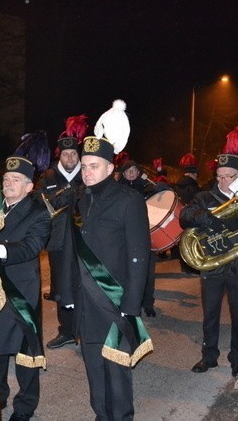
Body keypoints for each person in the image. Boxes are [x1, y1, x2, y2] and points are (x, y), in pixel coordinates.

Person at [75, 109, 153, 420]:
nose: (87, 172)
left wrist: (131, 304)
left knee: (117, 372)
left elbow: (139, 255)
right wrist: (69, 297)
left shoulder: (128, 200)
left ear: (110, 167)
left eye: (94, 166)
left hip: (115, 300)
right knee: (93, 368)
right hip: (86, 302)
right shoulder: (82, 199)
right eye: (84, 166)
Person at [180, 125, 238, 378]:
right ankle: (209, 357)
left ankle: (237, 359)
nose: (222, 181)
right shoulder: (204, 197)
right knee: (210, 315)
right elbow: (185, 215)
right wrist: (204, 217)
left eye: (228, 176)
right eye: (220, 176)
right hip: (213, 264)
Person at [0, 155, 51, 421]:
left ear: (29, 186)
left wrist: (0, 249)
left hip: (21, 292)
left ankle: (25, 406)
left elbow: (33, 246)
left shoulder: (39, 212)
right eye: (6, 179)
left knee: (24, 352)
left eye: (15, 179)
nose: (8, 183)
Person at [37, 115, 86, 349]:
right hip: (57, 241)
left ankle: (85, 329)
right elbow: (36, 204)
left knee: (85, 284)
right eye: (66, 154)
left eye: (74, 154)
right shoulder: (47, 177)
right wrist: (58, 198)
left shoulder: (87, 175)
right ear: (60, 154)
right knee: (62, 286)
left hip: (84, 240)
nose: (69, 158)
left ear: (79, 156)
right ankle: (66, 330)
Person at [117, 158, 159, 317]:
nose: (131, 173)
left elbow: (163, 194)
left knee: (147, 273)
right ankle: (128, 304)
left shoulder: (147, 188)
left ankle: (148, 304)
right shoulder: (118, 189)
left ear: (139, 172)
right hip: (125, 237)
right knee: (127, 273)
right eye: (128, 171)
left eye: (134, 170)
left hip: (145, 236)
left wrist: (154, 184)